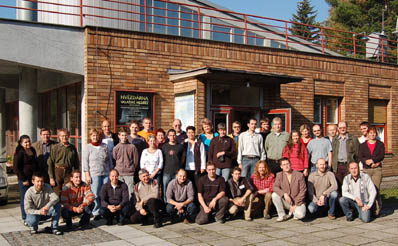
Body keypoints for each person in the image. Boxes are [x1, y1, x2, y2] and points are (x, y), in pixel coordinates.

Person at [83, 128, 112, 220]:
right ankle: (96, 212)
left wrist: (111, 171)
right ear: (90, 137)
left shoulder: (104, 146)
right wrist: (87, 175)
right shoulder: (88, 147)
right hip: (94, 173)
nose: (95, 137)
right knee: (95, 194)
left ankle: (104, 211)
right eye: (93, 135)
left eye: (96, 135)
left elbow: (109, 160)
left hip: (105, 173)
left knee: (104, 193)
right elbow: (85, 162)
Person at [14, 135, 39, 225]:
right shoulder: (20, 153)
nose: (28, 143)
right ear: (21, 143)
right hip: (24, 179)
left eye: (29, 141)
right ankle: (25, 217)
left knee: (34, 198)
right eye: (25, 142)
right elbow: (16, 168)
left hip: (33, 179)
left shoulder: (32, 149)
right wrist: (23, 179)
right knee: (25, 199)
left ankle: (33, 216)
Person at [359, 126, 384, 217]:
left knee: (375, 189)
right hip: (366, 169)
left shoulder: (380, 144)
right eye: (370, 133)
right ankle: (369, 208)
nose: (372, 134)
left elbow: (381, 155)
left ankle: (377, 208)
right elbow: (361, 156)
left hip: (377, 170)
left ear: (376, 134)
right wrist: (367, 162)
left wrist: (373, 161)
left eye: (374, 133)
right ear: (367, 134)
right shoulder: (362, 145)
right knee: (367, 190)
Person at [47, 128, 80, 196]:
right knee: (56, 193)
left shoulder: (72, 148)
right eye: (62, 136)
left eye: (66, 135)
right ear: (59, 137)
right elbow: (50, 162)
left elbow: (76, 163)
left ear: (68, 136)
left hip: (68, 171)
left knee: (68, 191)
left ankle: (66, 206)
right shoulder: (55, 147)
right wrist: (51, 177)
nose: (64, 137)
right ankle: (57, 206)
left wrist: (76, 176)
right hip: (58, 171)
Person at [113, 127, 139, 197]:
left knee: (130, 192)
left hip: (129, 173)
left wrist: (132, 169)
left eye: (125, 135)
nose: (124, 137)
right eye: (122, 135)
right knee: (119, 193)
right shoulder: (116, 148)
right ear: (119, 136)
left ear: (127, 136)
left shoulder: (132, 147)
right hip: (119, 173)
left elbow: (135, 161)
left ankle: (130, 207)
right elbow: (114, 159)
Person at [162, 129, 185, 200]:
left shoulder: (180, 146)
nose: (172, 137)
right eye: (170, 135)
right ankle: (166, 204)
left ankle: (175, 204)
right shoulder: (164, 146)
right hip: (166, 171)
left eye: (174, 135)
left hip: (177, 173)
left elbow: (183, 159)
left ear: (176, 136)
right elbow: (163, 159)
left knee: (176, 190)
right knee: (165, 189)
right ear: (168, 136)